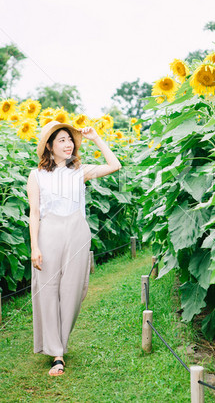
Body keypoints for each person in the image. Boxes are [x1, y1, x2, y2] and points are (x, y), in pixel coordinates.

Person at [27, 121, 122, 376]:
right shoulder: (36, 175)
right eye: (61, 140)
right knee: (47, 290)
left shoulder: (80, 170)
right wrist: (35, 246)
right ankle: (57, 353)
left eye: (70, 139)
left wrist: (97, 138)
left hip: (77, 232)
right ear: (49, 146)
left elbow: (115, 165)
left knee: (72, 291)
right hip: (49, 232)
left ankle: (60, 343)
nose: (68, 144)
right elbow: (34, 214)